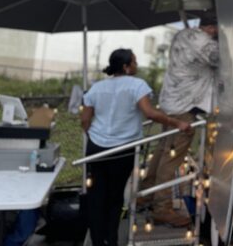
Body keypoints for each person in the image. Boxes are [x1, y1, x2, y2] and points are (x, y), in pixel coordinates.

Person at [80, 48, 191, 246]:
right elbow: (150, 113)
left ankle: (97, 241)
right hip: (122, 150)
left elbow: (85, 119)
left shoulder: (96, 87)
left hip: (95, 148)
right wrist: (177, 123)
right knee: (115, 197)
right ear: (126, 66)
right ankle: (111, 240)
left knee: (96, 197)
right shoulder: (137, 85)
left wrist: (94, 136)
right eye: (134, 62)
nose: (137, 65)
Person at [140, 15, 219, 227]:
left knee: (162, 150)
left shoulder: (182, 34)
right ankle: (162, 208)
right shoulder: (206, 44)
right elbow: (225, 61)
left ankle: (145, 194)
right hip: (184, 107)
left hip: (169, 103)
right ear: (211, 27)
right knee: (171, 159)